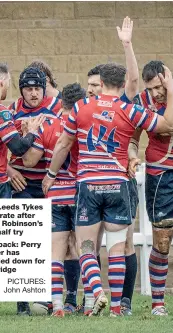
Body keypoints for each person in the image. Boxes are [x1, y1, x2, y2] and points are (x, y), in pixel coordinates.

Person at [42, 60, 173, 318]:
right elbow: (166, 125)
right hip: (118, 185)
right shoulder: (129, 109)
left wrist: (50, 174)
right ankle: (116, 308)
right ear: (123, 85)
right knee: (117, 249)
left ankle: (96, 293)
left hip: (89, 186)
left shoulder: (80, 107)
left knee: (86, 247)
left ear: (100, 84)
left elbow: (63, 145)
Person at [81, 16, 139, 316]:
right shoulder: (82, 108)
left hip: (116, 182)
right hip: (90, 184)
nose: (91, 90)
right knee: (93, 243)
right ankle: (95, 300)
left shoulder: (120, 101)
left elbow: (132, 81)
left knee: (122, 243)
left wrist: (127, 45)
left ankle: (123, 302)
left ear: (102, 84)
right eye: (88, 86)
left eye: (95, 85)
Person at [22, 83, 86, 317]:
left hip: (56, 194)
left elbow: (29, 161)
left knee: (55, 250)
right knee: (81, 248)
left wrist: (25, 135)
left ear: (61, 104)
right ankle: (81, 302)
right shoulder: (87, 126)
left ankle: (57, 305)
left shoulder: (49, 126)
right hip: (80, 194)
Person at [7, 66, 62, 316]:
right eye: (28, 89)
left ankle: (54, 299)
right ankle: (22, 306)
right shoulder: (10, 111)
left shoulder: (57, 109)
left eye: (37, 88)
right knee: (23, 243)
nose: (33, 94)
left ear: (44, 88)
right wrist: (8, 171)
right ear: (21, 90)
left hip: (50, 184)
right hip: (20, 183)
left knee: (54, 242)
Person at [128, 61, 173, 316]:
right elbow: (134, 139)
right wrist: (132, 156)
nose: (156, 93)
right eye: (151, 88)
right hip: (161, 175)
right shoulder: (142, 103)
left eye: (159, 86)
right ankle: (158, 304)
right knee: (162, 240)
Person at [0, 63, 44, 199]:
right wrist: (30, 132)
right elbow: (18, 148)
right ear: (2, 83)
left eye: (37, 88)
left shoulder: (57, 106)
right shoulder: (5, 112)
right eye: (8, 83)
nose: (34, 93)